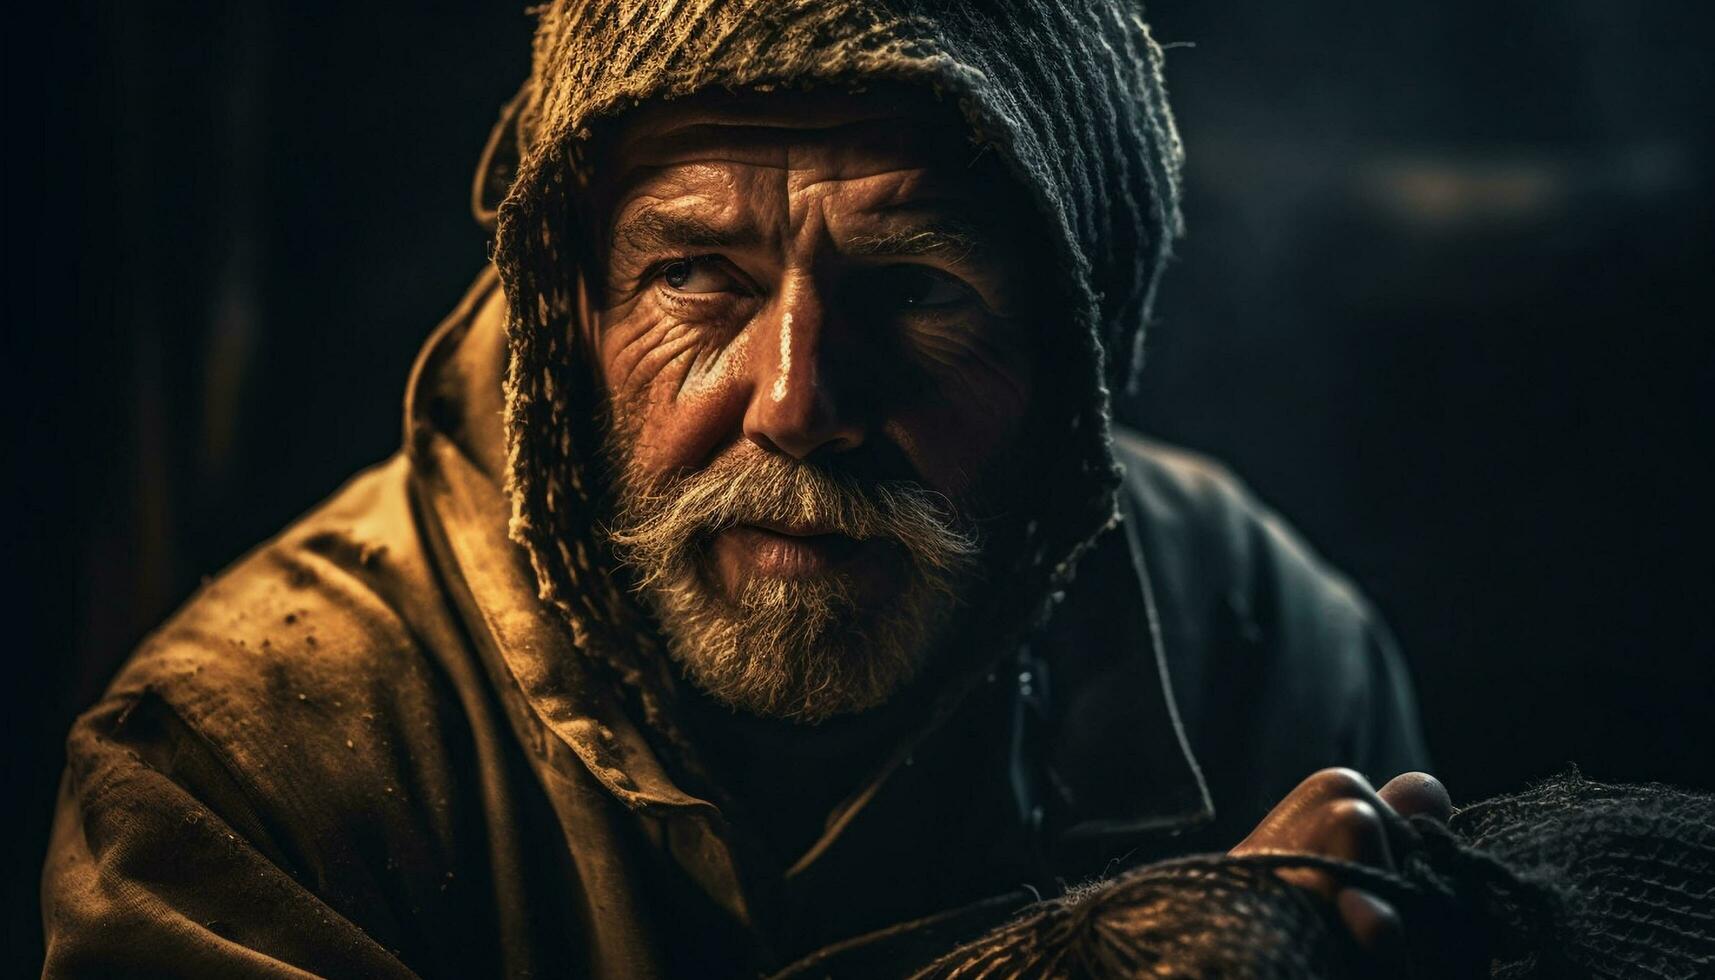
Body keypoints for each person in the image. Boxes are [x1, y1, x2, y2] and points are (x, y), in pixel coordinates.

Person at [41, 2, 1431, 976]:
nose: (796, 404)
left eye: (914, 290)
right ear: (562, 318)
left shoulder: (1255, 639)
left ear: (1075, 355)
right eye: (697, 276)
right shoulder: (244, 760)